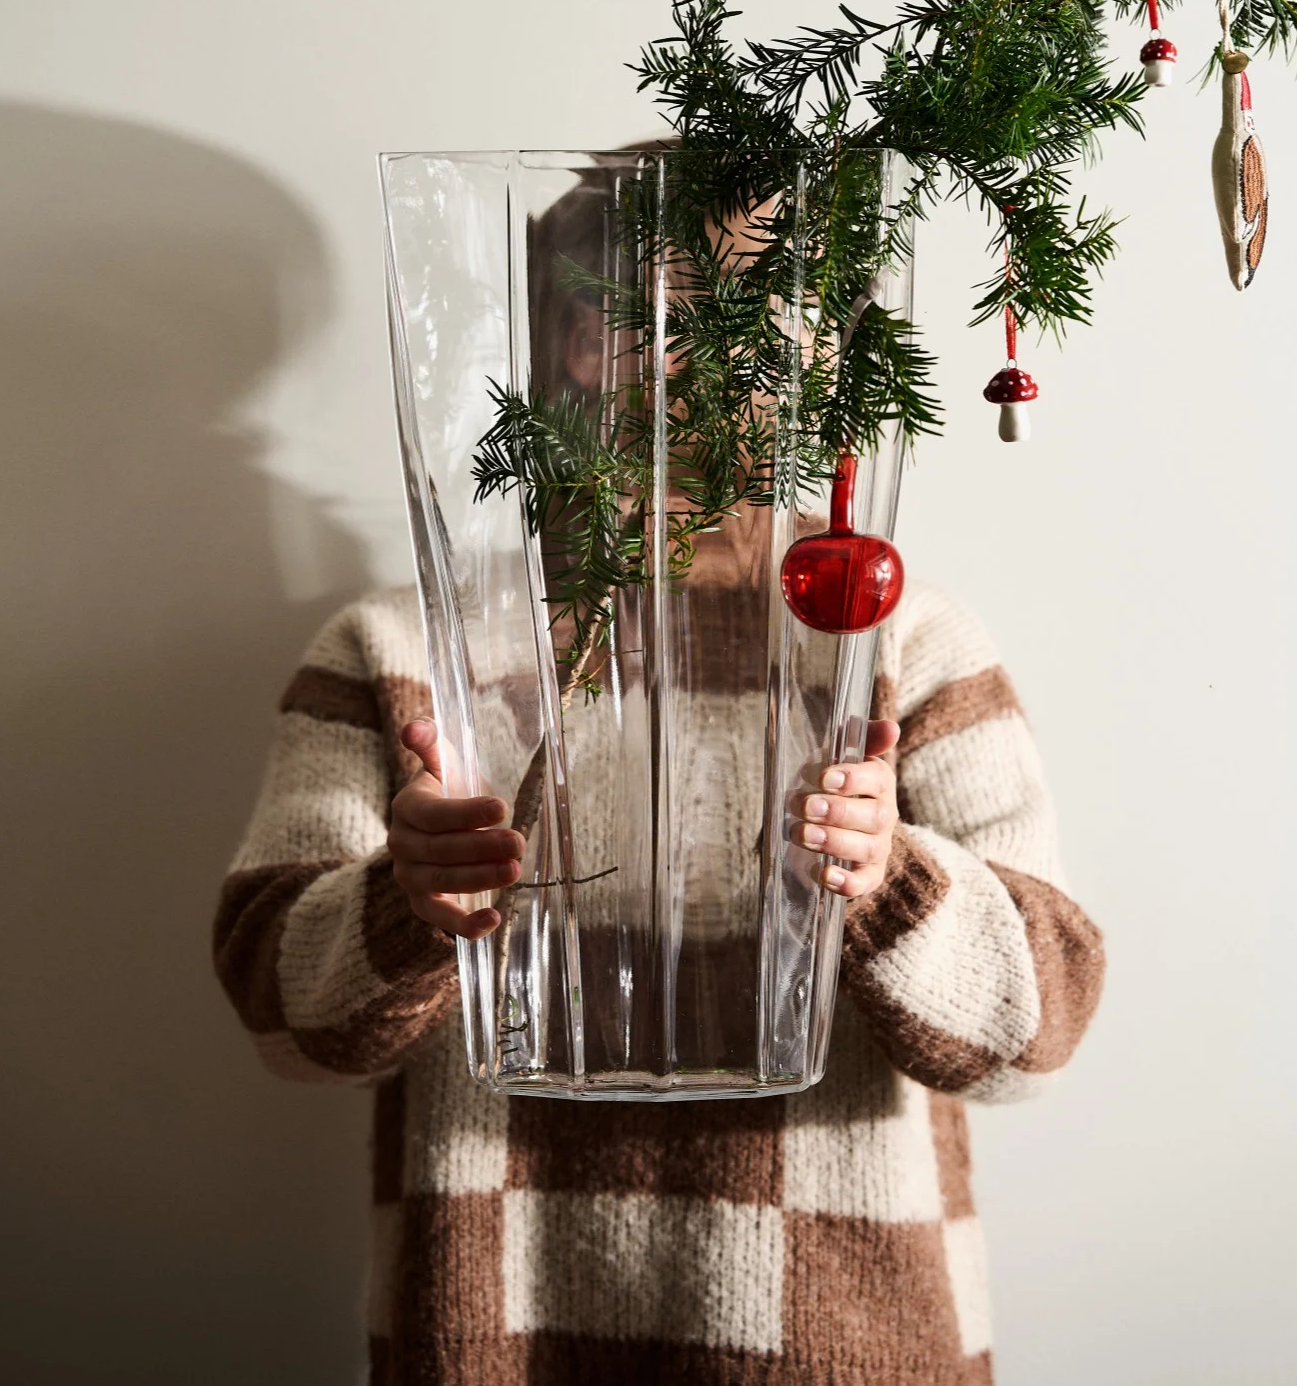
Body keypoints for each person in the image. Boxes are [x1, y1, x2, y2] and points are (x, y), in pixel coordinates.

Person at [214, 172, 1105, 1383]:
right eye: (732, 305)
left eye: (802, 314)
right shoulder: (408, 649)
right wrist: (404, 901)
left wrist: (890, 876)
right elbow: (279, 1015)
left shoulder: (900, 645)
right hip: (496, 1330)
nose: (785, 352)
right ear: (586, 341)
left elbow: (1038, 1031)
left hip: (836, 1340)